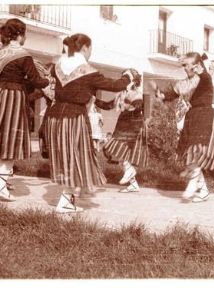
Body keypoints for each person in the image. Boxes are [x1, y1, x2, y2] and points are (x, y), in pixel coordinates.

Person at [45, 33, 133, 213]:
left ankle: (69, 197)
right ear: (85, 47)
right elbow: (115, 86)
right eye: (90, 48)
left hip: (54, 117)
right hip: (73, 117)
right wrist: (128, 76)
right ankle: (66, 202)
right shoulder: (88, 71)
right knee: (75, 157)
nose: (91, 52)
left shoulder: (58, 66)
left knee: (63, 157)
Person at [153, 52, 214, 203]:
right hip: (192, 116)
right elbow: (175, 92)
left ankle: (192, 184)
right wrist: (163, 96)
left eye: (185, 65)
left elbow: (195, 82)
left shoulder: (204, 78)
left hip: (204, 116)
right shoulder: (189, 81)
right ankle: (202, 191)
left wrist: (201, 68)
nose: (183, 68)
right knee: (189, 154)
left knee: (195, 151)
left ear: (196, 66)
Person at [0, 18, 49, 201]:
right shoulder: (23, 54)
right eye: (25, 34)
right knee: (11, 141)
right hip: (13, 98)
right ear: (20, 34)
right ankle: (1, 186)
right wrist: (48, 81)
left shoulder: (1, 52)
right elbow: (37, 81)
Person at [101, 68, 147, 193]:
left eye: (126, 77)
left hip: (133, 124)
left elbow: (138, 106)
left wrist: (128, 105)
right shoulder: (121, 93)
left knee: (119, 150)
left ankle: (130, 173)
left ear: (133, 80)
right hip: (124, 123)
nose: (123, 80)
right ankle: (133, 184)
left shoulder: (135, 92)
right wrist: (95, 101)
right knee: (118, 151)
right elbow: (108, 106)